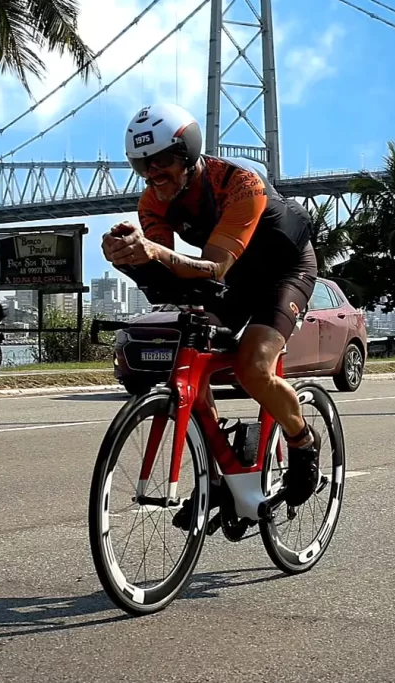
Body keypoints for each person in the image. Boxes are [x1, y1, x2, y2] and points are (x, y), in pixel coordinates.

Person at [102, 102, 321, 511]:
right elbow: (165, 272)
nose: (153, 175)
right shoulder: (152, 202)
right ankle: (220, 474)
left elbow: (215, 265)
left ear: (187, 153)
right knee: (189, 363)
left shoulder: (240, 184)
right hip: (236, 277)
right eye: (141, 166)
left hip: (284, 270)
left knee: (252, 367)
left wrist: (150, 251)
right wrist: (128, 257)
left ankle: (303, 440)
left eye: (163, 162)